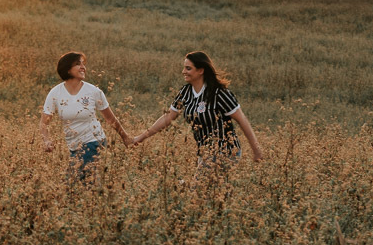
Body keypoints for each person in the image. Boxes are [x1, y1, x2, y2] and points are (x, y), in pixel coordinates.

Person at [134, 51, 263, 176]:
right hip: (204, 153)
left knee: (197, 189)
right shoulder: (185, 92)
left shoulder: (219, 93)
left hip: (225, 152)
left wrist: (256, 150)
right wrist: (139, 138)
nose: (183, 71)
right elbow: (168, 117)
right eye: (184, 68)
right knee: (210, 190)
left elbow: (242, 120)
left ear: (201, 70)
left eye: (188, 68)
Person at [40, 51, 133, 181]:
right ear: (67, 69)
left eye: (83, 64)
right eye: (78, 64)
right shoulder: (55, 93)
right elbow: (44, 122)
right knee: (87, 186)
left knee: (72, 184)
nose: (83, 67)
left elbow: (110, 119)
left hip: (94, 142)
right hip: (74, 147)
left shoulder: (93, 91)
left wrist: (125, 138)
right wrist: (46, 140)